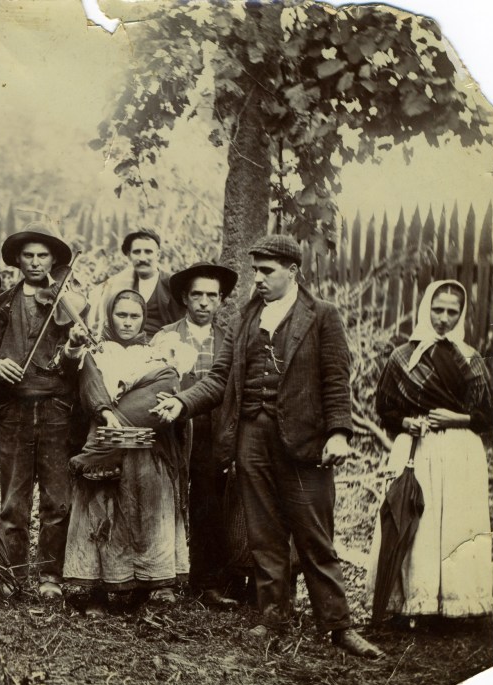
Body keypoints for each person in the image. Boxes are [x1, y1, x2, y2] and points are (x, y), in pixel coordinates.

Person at [154, 234, 383, 659]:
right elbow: (221, 377)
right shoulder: (246, 317)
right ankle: (274, 617)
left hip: (305, 443)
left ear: (292, 272)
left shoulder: (322, 317)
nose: (257, 279)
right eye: (255, 270)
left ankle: (337, 626)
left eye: (266, 271)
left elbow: (336, 380)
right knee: (264, 535)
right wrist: (182, 402)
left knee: (315, 536)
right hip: (252, 439)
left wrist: (338, 433)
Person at [368, 280, 493, 620]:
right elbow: (385, 408)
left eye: (452, 312)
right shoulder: (403, 357)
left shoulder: (470, 359)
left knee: (455, 523)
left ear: (461, 315)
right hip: (416, 450)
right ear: (426, 309)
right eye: (437, 310)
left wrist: (459, 418)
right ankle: (413, 602)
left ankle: (456, 604)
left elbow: (487, 417)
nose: (444, 318)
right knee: (417, 523)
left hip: (460, 453)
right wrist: (406, 422)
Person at [65, 290, 195, 615]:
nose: (127, 322)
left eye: (133, 316)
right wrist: (107, 414)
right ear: (110, 317)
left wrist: (123, 414)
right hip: (105, 441)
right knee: (103, 513)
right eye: (120, 315)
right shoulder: (95, 353)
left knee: (146, 512)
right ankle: (98, 589)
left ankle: (149, 585)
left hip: (146, 448)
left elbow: (163, 387)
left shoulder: (156, 357)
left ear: (143, 319)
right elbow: (89, 385)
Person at [0, 222, 88, 599]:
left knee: (57, 499)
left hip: (57, 408)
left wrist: (73, 347)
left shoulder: (68, 302)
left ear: (54, 259)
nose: (36, 262)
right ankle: (11, 575)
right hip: (14, 410)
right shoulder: (2, 302)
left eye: (43, 255)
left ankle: (50, 577)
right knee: (13, 498)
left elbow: (77, 368)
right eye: (29, 255)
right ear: (18, 260)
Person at [160, 262, 242, 605]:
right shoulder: (166, 336)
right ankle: (162, 576)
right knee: (168, 498)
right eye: (198, 295)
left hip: (214, 431)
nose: (205, 303)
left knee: (209, 501)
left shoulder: (230, 340)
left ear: (221, 300)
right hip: (175, 429)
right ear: (185, 297)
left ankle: (207, 580)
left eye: (212, 296)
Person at [87, 228, 184, 337]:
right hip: (124, 346)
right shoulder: (117, 284)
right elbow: (100, 317)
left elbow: (182, 323)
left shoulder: (172, 283)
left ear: (158, 255)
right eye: (137, 252)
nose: (142, 258)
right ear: (129, 256)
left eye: (148, 252)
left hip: (162, 344)